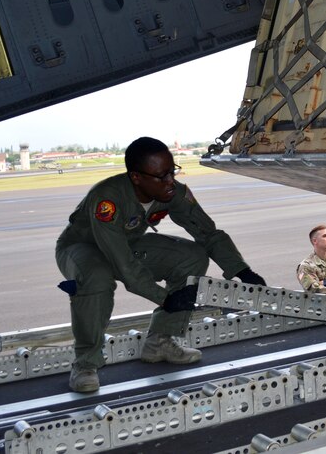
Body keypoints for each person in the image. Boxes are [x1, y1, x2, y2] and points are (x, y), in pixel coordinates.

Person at [55, 136, 266, 393]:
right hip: (82, 248)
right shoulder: (106, 199)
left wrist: (242, 270)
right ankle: (85, 363)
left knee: (193, 256)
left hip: (127, 243)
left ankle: (160, 341)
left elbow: (207, 233)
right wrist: (165, 298)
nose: (170, 181)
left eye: (172, 171)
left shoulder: (171, 191)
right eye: (161, 176)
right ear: (136, 177)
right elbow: (123, 264)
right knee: (97, 278)